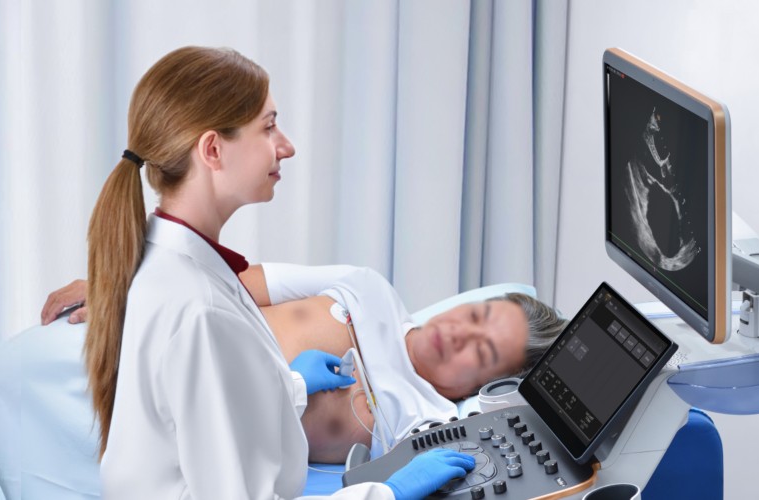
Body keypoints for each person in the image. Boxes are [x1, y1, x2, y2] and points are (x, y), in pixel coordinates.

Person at [77, 46, 473, 499]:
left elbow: (198, 413)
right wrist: (388, 493)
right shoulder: (201, 309)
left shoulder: (172, 262)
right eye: (268, 127)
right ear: (212, 150)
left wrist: (291, 386)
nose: (286, 146)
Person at [44, 262, 566, 464]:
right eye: (475, 315)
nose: (458, 333)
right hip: (124, 337)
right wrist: (121, 290)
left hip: (147, 420)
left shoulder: (424, 425)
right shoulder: (368, 288)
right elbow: (232, 284)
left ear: (487, 386)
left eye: (481, 350)